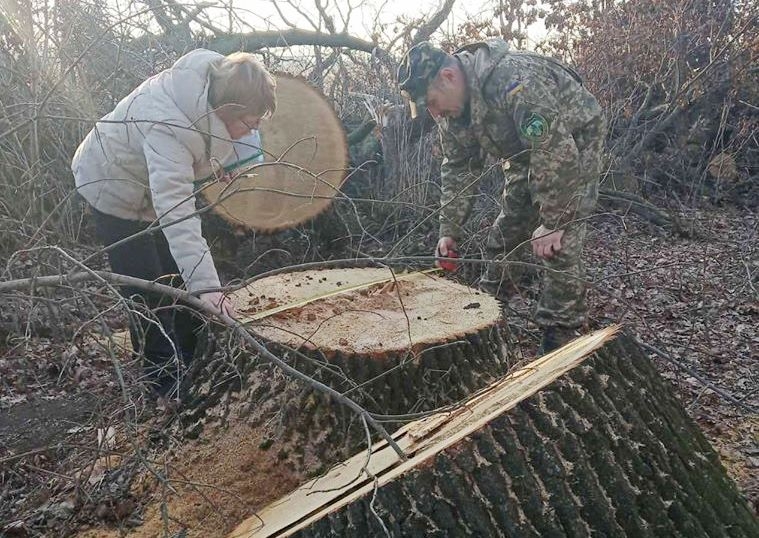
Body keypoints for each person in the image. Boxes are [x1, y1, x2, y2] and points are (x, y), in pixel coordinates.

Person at [72, 49, 276, 396]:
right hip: (110, 184)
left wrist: (221, 165)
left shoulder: (214, 88)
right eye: (249, 123)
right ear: (229, 110)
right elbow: (177, 213)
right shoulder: (170, 125)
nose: (251, 131)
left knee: (178, 277)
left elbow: (214, 142)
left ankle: (196, 359)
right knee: (147, 286)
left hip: (149, 186)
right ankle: (164, 382)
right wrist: (209, 289)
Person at [397, 39, 606, 353]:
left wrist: (554, 220)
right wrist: (448, 231)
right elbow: (457, 168)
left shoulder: (513, 79)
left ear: (449, 78)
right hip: (525, 153)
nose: (433, 112)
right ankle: (487, 316)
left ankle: (560, 337)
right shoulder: (453, 114)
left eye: (431, 101)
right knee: (507, 235)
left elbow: (554, 150)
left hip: (574, 142)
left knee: (559, 246)